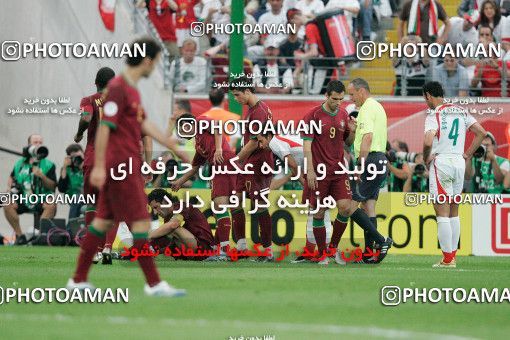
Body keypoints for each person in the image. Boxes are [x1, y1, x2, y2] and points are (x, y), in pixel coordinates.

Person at [66, 37, 186, 297]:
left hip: (124, 164)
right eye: (155, 62)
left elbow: (143, 126)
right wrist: (99, 165)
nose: (154, 67)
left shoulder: (129, 89)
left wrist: (172, 145)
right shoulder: (119, 88)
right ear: (146, 60)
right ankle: (155, 285)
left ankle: (78, 279)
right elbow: (106, 127)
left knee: (100, 223)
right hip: (119, 166)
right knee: (139, 223)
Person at [302, 80, 393, 265]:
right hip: (319, 171)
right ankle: (323, 255)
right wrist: (310, 170)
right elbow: (307, 145)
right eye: (335, 99)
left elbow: (349, 142)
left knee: (346, 208)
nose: (339, 102)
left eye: (342, 99)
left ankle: (334, 249)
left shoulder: (344, 113)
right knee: (319, 212)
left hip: (339, 171)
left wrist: (351, 132)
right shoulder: (312, 116)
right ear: (326, 96)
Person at [422, 81, 486, 268]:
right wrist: (467, 154)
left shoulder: (434, 114)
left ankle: (448, 259)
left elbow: (427, 141)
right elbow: (481, 133)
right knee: (454, 211)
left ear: (428, 95)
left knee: (441, 213)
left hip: (441, 162)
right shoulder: (460, 110)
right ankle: (452, 256)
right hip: (459, 162)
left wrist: (426, 158)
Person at [171, 113, 237, 261]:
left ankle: (224, 251)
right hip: (218, 166)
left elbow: (218, 126)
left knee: (220, 206)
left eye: (183, 127)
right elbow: (195, 167)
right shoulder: (198, 143)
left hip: (223, 161)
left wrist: (219, 148)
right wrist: (180, 181)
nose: (181, 132)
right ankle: (217, 248)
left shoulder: (200, 121)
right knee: (217, 208)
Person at [74, 67, 118, 264]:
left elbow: (86, 117)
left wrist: (80, 133)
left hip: (94, 157)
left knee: (91, 203)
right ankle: (107, 247)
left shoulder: (89, 100)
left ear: (96, 83)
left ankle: (94, 251)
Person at [229, 76, 275, 262]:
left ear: (247, 91)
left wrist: (236, 161)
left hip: (258, 163)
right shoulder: (256, 109)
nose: (236, 99)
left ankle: (268, 251)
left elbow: (254, 143)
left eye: (237, 95)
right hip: (250, 163)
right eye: (233, 95)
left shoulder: (258, 112)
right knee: (235, 200)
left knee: (259, 205)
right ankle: (241, 247)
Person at [347, 78, 391, 260]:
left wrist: (359, 166)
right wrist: (356, 129)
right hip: (379, 160)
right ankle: (369, 253)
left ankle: (381, 241)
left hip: (370, 161)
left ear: (361, 91)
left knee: (348, 207)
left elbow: (367, 139)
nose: (351, 99)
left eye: (351, 94)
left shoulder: (365, 109)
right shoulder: (377, 107)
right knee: (369, 206)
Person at [4, 134, 57, 245]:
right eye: (35, 142)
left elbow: (53, 186)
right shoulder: (20, 163)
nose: (38, 145)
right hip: (24, 199)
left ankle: (39, 237)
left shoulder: (49, 164)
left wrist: (42, 176)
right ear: (29, 145)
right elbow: (11, 177)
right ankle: (20, 236)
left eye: (40, 142)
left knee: (52, 203)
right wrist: (9, 190)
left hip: (41, 199)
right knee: (6, 202)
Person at [147, 189, 215, 260]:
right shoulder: (168, 218)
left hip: (205, 248)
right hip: (192, 250)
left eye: (156, 207)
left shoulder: (182, 206)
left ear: (166, 201)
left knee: (171, 228)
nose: (155, 212)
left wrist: (150, 235)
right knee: (161, 237)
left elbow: (173, 225)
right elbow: (170, 241)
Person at [57, 144, 85, 220]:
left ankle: (70, 228)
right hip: (73, 198)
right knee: (77, 197)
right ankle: (71, 228)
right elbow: (61, 189)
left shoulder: (89, 165)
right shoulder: (68, 169)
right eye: (74, 157)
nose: (78, 159)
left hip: (90, 197)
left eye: (79, 156)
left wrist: (84, 168)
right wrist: (65, 167)